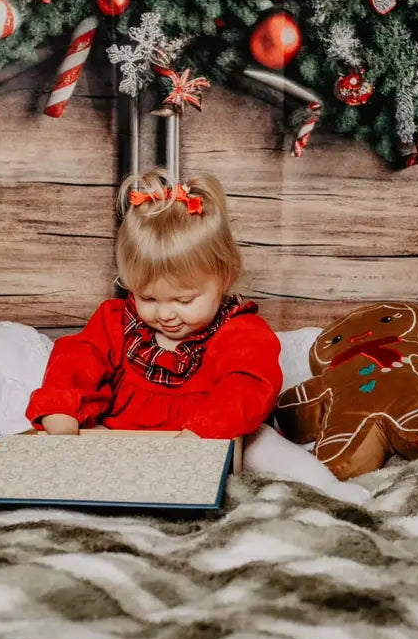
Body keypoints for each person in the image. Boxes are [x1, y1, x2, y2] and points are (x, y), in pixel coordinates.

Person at [25, 169, 282, 439]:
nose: (165, 314)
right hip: (116, 441)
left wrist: (198, 438)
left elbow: (247, 387)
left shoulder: (241, 332)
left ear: (225, 277)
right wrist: (62, 418)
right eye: (146, 297)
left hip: (204, 442)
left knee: (264, 443)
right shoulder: (117, 321)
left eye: (184, 300)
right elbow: (74, 363)